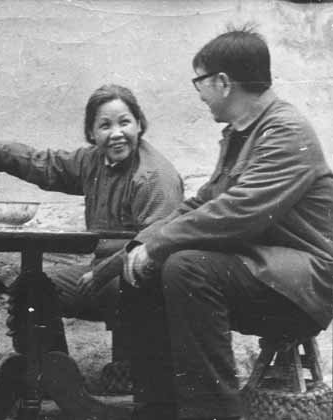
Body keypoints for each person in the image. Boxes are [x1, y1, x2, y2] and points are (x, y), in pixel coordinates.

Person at [105, 27, 333, 420]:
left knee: (187, 267)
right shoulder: (241, 134)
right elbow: (201, 204)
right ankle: (157, 409)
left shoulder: (285, 131)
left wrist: (158, 246)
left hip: (305, 284)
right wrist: (137, 248)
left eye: (200, 81)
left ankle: (212, 412)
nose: (198, 93)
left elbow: (238, 213)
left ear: (223, 82)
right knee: (145, 271)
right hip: (262, 271)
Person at [0, 84, 183, 359]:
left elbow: (155, 244)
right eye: (105, 125)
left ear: (139, 124)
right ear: (92, 133)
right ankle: (51, 371)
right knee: (32, 289)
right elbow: (48, 165)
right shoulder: (94, 161)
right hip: (101, 271)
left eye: (124, 122)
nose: (116, 133)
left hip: (144, 279)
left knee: (131, 296)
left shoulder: (152, 177)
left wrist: (102, 273)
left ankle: (130, 369)